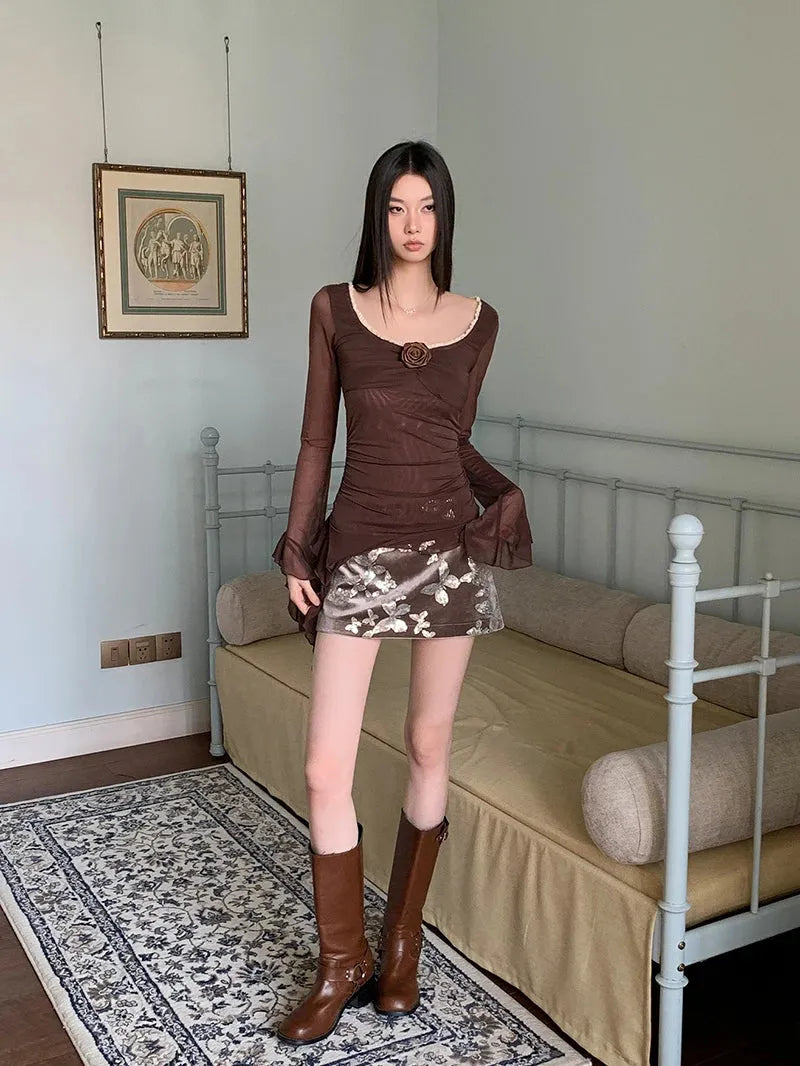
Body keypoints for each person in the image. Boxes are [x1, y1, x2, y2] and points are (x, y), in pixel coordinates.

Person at [272, 140, 533, 1046]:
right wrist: (299, 548)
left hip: (448, 553)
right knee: (324, 768)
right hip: (359, 549)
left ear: (444, 217)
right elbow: (317, 440)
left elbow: (447, 438)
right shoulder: (333, 309)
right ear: (376, 216)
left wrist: (501, 489)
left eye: (426, 207)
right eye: (396, 207)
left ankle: (401, 946)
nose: (412, 224)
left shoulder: (481, 321)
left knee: (428, 745)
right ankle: (341, 961)